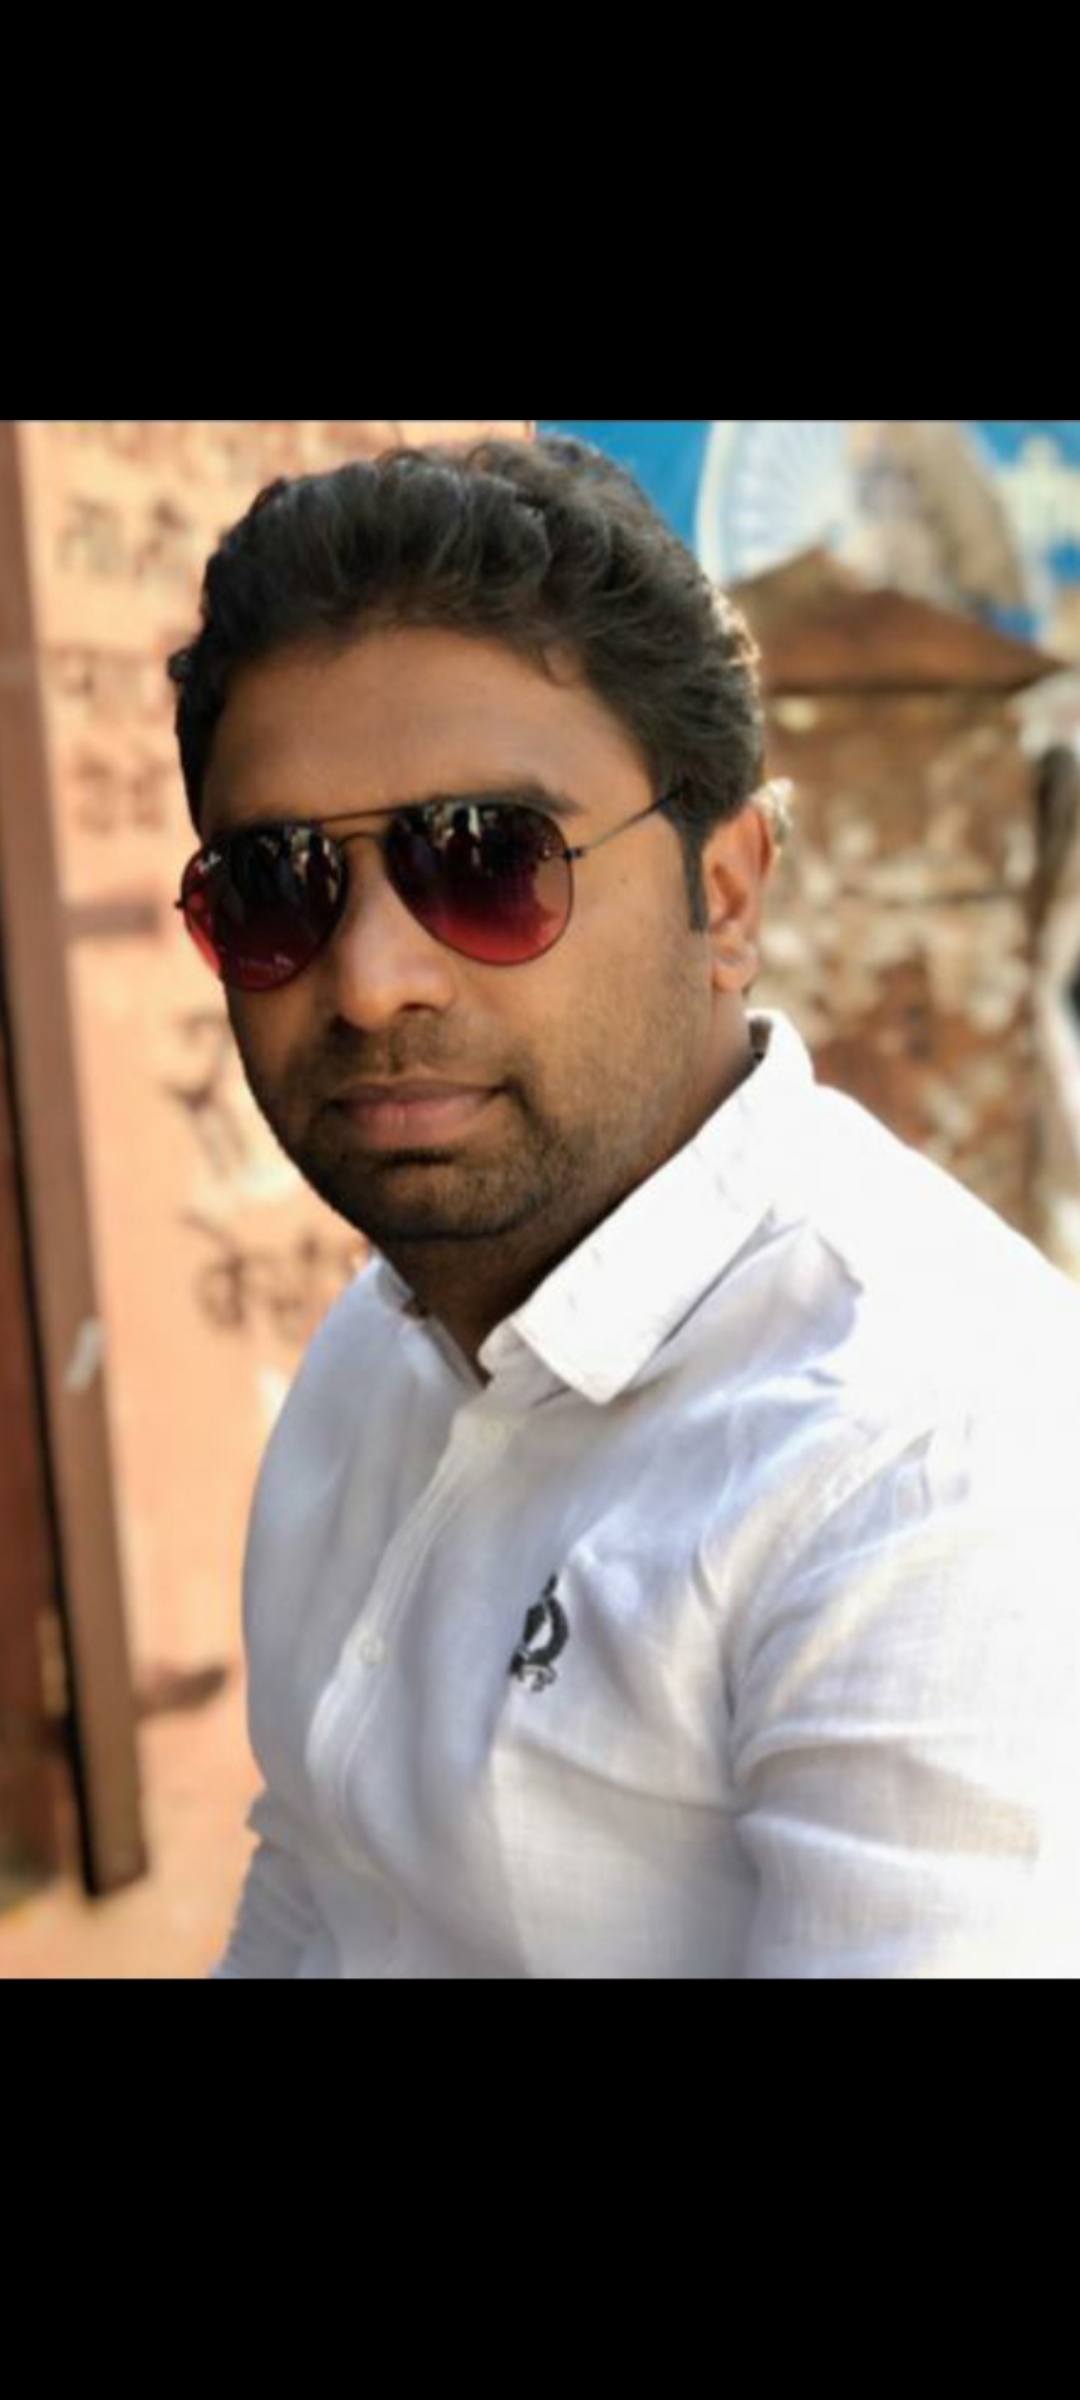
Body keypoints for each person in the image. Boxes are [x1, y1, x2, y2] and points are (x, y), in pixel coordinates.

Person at [170, 433, 1080, 1979]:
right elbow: (322, 1879)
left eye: (487, 862)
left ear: (724, 895)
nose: (372, 979)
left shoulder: (923, 1467)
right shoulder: (381, 1348)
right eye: (276, 883)